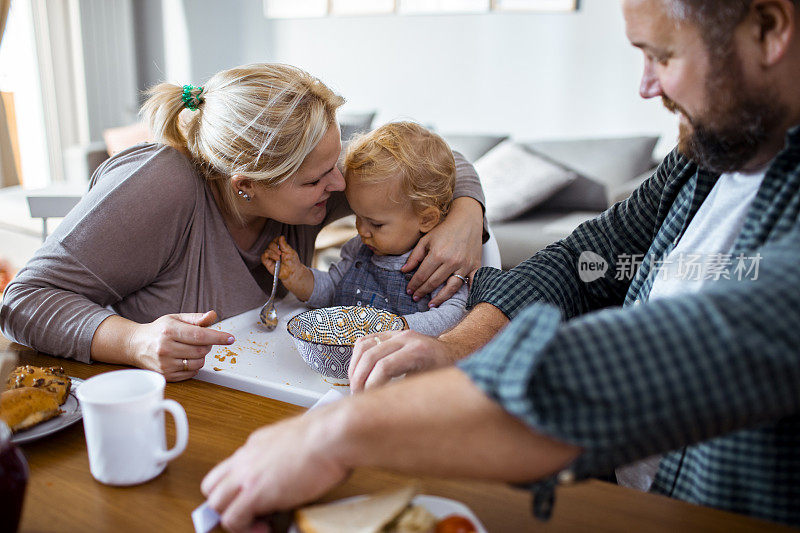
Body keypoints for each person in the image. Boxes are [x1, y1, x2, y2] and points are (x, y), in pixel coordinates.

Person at [201, 1, 800, 530]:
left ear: (770, 27)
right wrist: (451, 346)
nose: (646, 86)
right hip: (620, 498)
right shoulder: (706, 165)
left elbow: (696, 347)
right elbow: (579, 263)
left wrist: (337, 433)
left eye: (662, 55)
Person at [0, 63, 487, 382]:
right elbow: (22, 301)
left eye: (336, 162)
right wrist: (136, 340)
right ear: (246, 184)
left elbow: (442, 163)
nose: (341, 185)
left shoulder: (318, 185)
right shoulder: (159, 186)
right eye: (318, 178)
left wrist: (466, 213)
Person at [261, 122, 467, 336]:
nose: (361, 230)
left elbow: (454, 315)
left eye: (376, 224)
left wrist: (396, 327)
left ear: (426, 219)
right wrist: (298, 275)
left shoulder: (438, 261)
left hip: (405, 364)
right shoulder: (358, 249)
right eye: (357, 217)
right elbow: (333, 289)